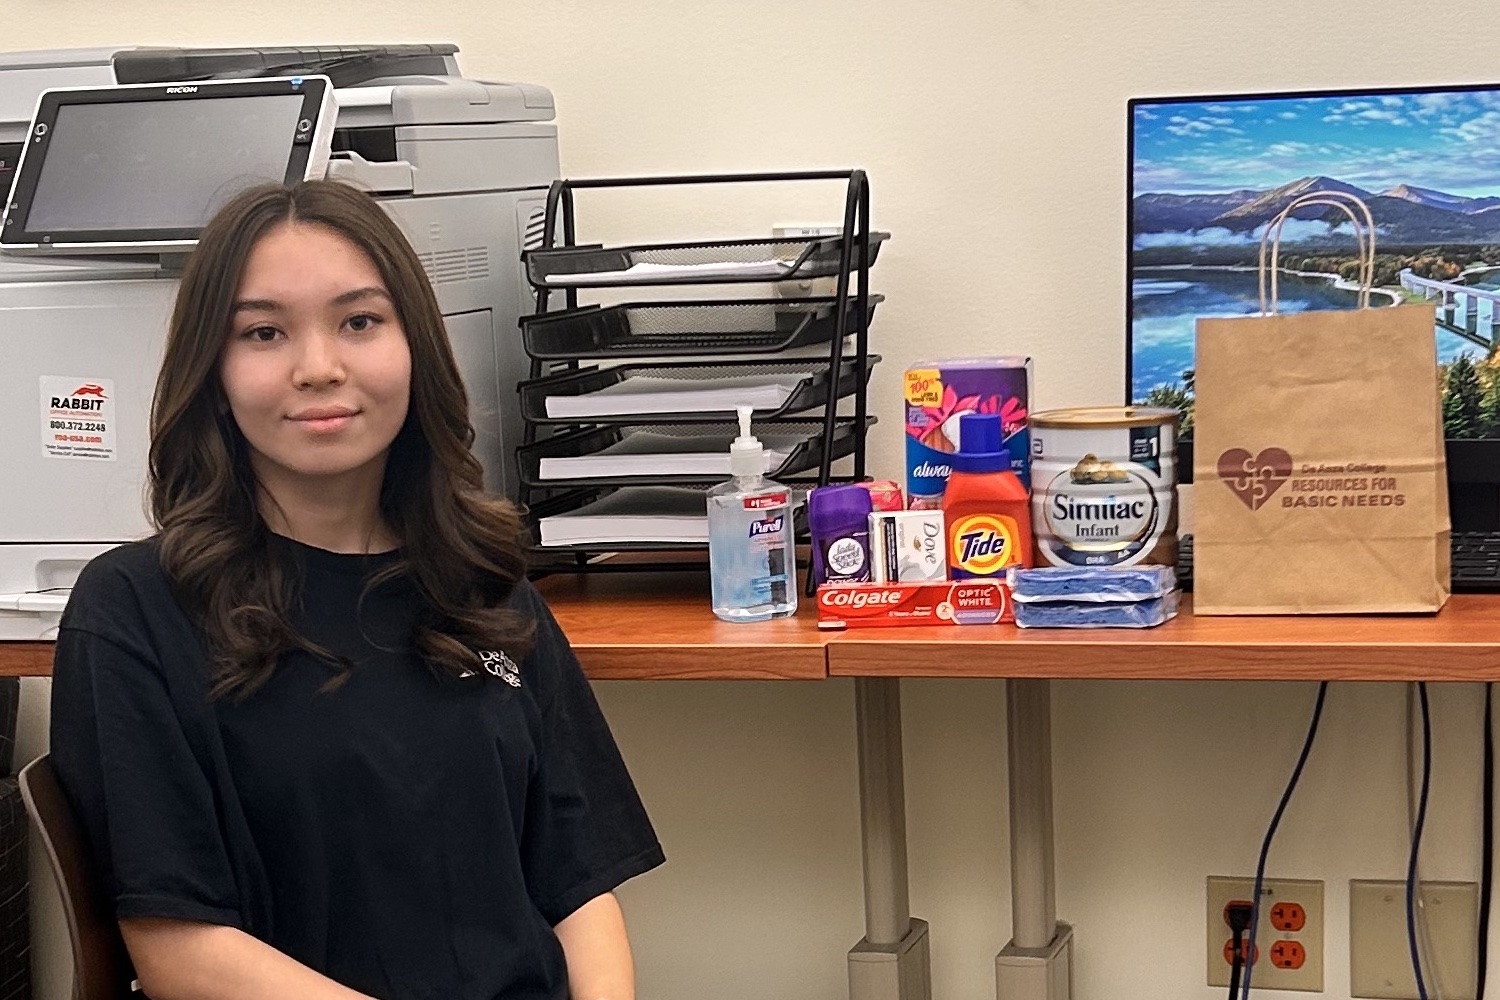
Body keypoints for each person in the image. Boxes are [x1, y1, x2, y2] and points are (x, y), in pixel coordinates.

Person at [48, 180, 664, 1000]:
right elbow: (178, 949)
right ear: (214, 370)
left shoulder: (485, 586)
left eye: (359, 322)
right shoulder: (134, 610)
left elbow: (580, 885)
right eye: (264, 332)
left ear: (415, 347)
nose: (319, 368)